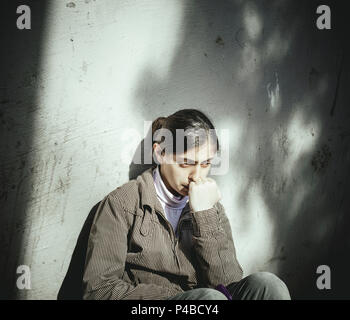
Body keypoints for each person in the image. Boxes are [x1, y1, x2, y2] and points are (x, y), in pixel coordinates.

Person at [82, 109, 291, 300]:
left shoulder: (210, 205)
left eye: (206, 163)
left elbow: (227, 285)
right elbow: (98, 291)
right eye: (186, 163)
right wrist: (181, 299)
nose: (197, 176)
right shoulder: (122, 203)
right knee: (210, 301)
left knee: (268, 286)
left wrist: (205, 217)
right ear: (160, 153)